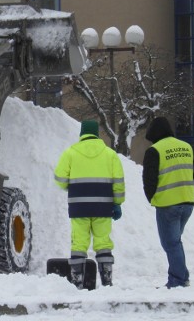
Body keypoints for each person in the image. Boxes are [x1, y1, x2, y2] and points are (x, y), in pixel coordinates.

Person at [54, 120, 125, 288]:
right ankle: (107, 281)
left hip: (79, 207)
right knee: (103, 242)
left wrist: (71, 187)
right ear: (97, 134)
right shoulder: (109, 154)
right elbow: (119, 182)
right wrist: (117, 203)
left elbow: (60, 179)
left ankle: (77, 281)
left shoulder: (70, 153)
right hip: (103, 206)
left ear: (82, 133)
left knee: (79, 243)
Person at [142, 117, 194, 289]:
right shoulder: (186, 147)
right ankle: (182, 276)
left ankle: (178, 280)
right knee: (175, 242)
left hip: (167, 205)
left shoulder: (155, 150)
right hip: (188, 202)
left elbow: (149, 179)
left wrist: (152, 197)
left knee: (170, 243)